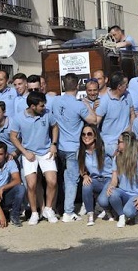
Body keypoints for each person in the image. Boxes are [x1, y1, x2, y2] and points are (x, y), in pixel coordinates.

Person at [51, 73, 96, 223]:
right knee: (71, 180)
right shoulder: (79, 105)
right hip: (73, 147)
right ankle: (68, 212)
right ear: (77, 86)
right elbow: (93, 120)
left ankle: (60, 208)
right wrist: (88, 105)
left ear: (63, 86)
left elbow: (49, 97)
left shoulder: (55, 101)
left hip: (59, 146)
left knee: (63, 178)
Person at [10, 91, 59, 225]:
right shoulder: (19, 118)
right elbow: (13, 136)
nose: (44, 108)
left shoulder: (47, 113)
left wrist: (53, 144)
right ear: (33, 106)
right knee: (31, 185)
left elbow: (55, 127)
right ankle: (34, 213)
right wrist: (24, 152)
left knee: (52, 181)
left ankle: (48, 209)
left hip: (45, 152)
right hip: (29, 154)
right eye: (41, 106)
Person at [106, 132, 138, 228]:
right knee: (112, 193)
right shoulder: (116, 158)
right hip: (124, 192)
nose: (117, 144)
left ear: (127, 143)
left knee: (129, 212)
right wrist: (111, 186)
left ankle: (137, 211)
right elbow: (114, 180)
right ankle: (122, 216)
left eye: (119, 142)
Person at [80, 125, 114, 226]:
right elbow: (81, 167)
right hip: (95, 180)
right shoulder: (81, 151)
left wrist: (116, 178)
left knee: (102, 201)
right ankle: (90, 214)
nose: (86, 136)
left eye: (89, 134)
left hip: (109, 178)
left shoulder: (105, 147)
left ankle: (108, 210)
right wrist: (85, 175)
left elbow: (117, 159)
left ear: (95, 136)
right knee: (86, 185)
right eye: (83, 134)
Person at [96, 71, 135, 156]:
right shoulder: (104, 101)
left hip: (126, 143)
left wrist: (130, 128)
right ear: (119, 87)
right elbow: (96, 123)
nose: (127, 87)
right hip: (110, 145)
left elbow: (132, 114)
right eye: (126, 84)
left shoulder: (128, 95)